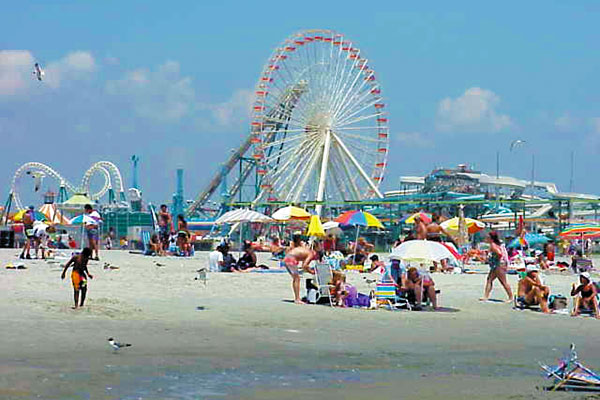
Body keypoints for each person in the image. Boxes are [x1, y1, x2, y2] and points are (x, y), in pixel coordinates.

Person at [480, 231, 513, 302]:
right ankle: (486, 296)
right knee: (489, 279)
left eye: (487, 237)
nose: (486, 239)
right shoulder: (496, 244)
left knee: (503, 281)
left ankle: (511, 297)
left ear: (491, 238)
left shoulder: (493, 245)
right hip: (498, 265)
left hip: (498, 265)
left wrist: (494, 258)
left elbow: (499, 253)